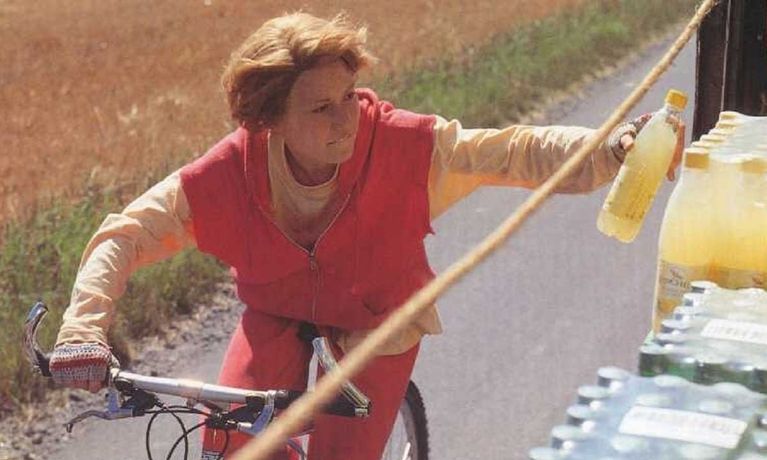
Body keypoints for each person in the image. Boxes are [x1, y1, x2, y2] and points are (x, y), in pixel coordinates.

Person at [48, 12, 684, 460]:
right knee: (233, 442)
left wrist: (615, 147)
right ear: (269, 120)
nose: (346, 118)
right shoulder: (228, 174)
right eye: (321, 107)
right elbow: (126, 233)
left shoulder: (402, 146)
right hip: (275, 315)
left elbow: (512, 151)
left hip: (380, 322)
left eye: (349, 96)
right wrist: (83, 329)